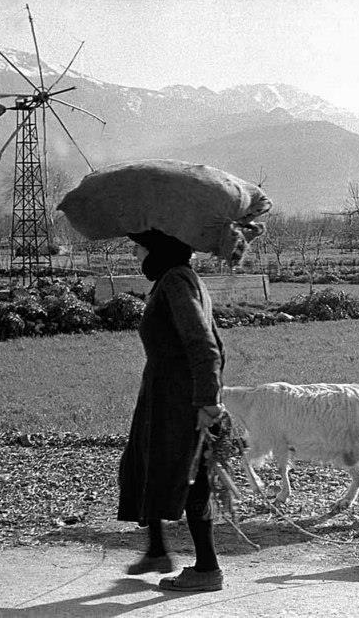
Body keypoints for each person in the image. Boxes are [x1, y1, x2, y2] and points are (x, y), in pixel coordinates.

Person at [117, 228, 227, 593]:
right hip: (162, 396)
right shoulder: (174, 279)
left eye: (140, 246)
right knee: (147, 465)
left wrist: (207, 402)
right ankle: (158, 550)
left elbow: (204, 344)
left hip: (181, 401)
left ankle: (207, 568)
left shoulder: (177, 281)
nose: (135, 253)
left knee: (189, 478)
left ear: (158, 249)